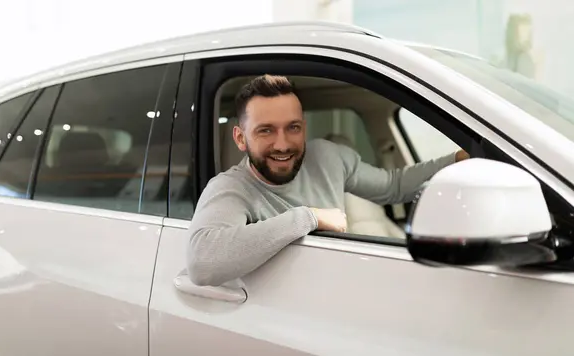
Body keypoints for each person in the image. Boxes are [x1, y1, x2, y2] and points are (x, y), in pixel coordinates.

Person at [186, 75, 469, 286]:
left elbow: (393, 187)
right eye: (266, 131)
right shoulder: (231, 188)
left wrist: (457, 159)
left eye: (292, 128)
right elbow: (202, 263)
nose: (282, 144)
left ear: (303, 127)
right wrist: (309, 217)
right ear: (240, 138)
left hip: (340, 289)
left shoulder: (328, 156)